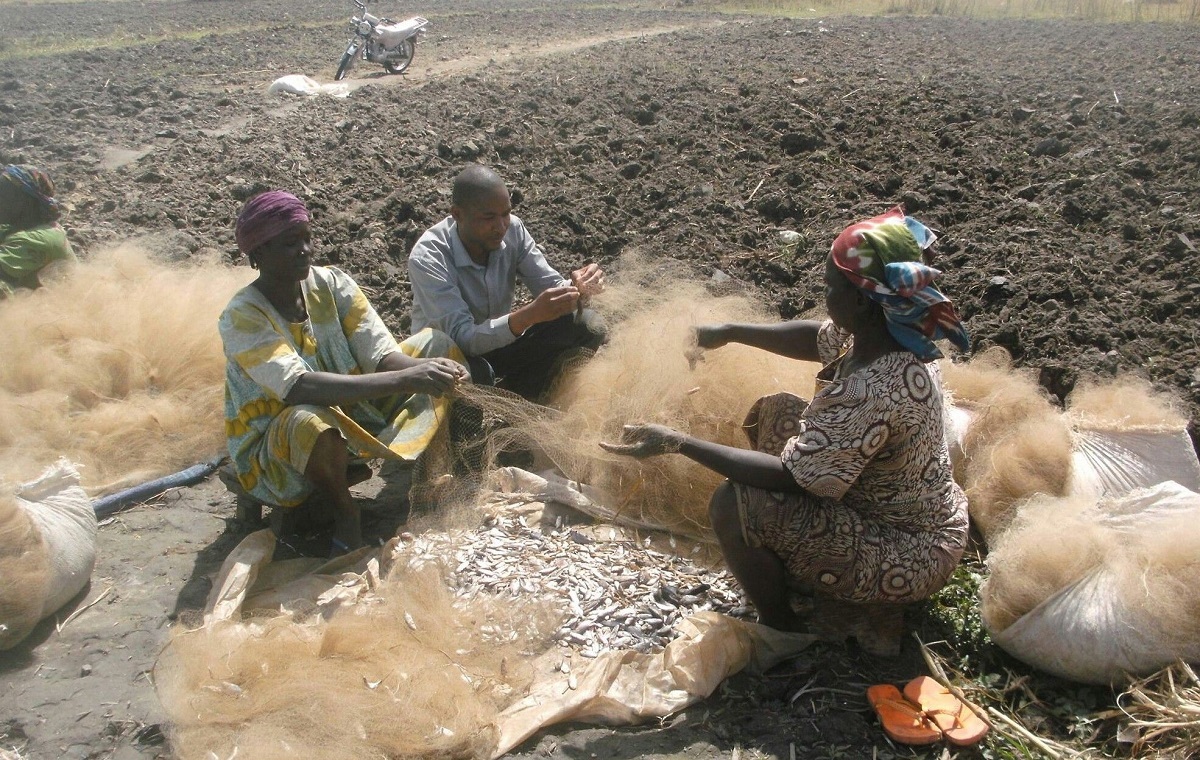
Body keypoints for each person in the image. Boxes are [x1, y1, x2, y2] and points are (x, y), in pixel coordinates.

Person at [601, 206, 971, 655]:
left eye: (831, 287)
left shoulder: (873, 389)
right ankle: (802, 568)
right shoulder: (881, 333)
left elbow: (789, 476)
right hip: (901, 513)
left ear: (860, 299)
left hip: (907, 552)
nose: (826, 296)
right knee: (775, 413)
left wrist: (677, 442)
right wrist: (729, 331)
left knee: (734, 504)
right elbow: (817, 337)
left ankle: (782, 626)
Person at [219, 191, 469, 554]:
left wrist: (428, 368)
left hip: (354, 412)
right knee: (309, 421)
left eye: (307, 238)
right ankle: (346, 513)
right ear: (258, 253)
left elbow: (381, 357)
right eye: (291, 243)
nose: (305, 249)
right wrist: (409, 379)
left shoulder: (332, 284)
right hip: (278, 445)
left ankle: (431, 475)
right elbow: (298, 388)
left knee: (436, 344)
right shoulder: (242, 316)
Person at [408, 164, 605, 402]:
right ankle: (498, 403)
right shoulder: (429, 257)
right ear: (457, 215)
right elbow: (463, 338)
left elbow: (549, 285)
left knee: (587, 325)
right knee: (473, 376)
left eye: (505, 213)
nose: (501, 226)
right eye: (488, 217)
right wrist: (528, 316)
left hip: (499, 343)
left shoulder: (513, 230)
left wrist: (579, 287)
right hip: (450, 360)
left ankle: (522, 402)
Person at [0, 164, 77, 298]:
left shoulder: (38, 239)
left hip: (48, 313)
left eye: (4, 194)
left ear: (25, 200)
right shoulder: (30, 225)